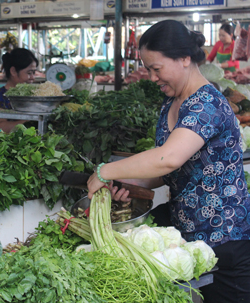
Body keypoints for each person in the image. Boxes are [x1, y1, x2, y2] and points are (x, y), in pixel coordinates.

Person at [87, 20, 250, 303]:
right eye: (149, 69)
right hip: (188, 239)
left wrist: (105, 171)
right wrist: (127, 180)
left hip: (225, 241)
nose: (152, 78)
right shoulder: (173, 103)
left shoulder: (206, 104)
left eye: (156, 69)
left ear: (185, 58)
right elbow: (167, 171)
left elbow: (167, 158)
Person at [0, 48, 38, 133]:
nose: (33, 78)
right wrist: (33, 122)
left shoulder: (34, 95)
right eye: (29, 73)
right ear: (13, 71)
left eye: (34, 73)